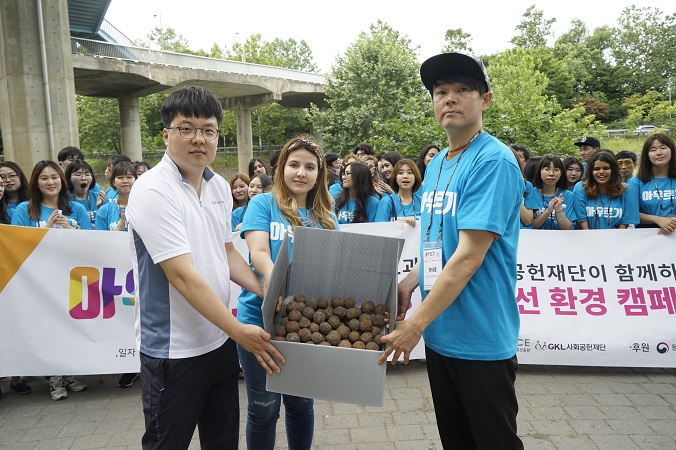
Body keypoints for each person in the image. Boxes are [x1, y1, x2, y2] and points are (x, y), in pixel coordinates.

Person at [378, 52, 524, 450]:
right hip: (442, 331)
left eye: (463, 90)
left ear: (485, 99)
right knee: (457, 440)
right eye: (441, 91)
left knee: (493, 441)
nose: (450, 98)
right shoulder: (440, 161)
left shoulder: (494, 161)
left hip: (480, 337)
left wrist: (414, 325)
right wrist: (410, 282)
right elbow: (436, 241)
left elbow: (469, 257)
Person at [125, 86, 283, 449]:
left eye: (208, 130)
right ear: (166, 134)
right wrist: (240, 330)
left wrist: (264, 289)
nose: (199, 138)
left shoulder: (219, 186)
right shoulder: (152, 191)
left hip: (218, 342)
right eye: (186, 128)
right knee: (168, 443)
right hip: (173, 351)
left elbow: (226, 251)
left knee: (223, 441)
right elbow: (181, 275)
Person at [238, 135, 338, 450]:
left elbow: (333, 269)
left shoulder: (327, 217)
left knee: (299, 403)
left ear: (319, 174)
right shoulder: (262, 203)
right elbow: (258, 251)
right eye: (294, 164)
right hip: (259, 321)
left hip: (304, 327)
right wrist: (274, 278)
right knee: (264, 408)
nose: (301, 172)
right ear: (282, 167)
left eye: (310, 167)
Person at [11, 160, 92, 231]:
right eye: (44, 178)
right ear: (36, 183)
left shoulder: (78, 208)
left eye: (54, 177)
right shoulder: (24, 209)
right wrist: (47, 228)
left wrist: (68, 228)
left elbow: (89, 241)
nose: (50, 182)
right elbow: (17, 242)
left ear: (61, 180)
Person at [573, 150, 639, 229]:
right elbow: (582, 223)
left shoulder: (628, 191)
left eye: (606, 168)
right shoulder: (580, 189)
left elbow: (625, 224)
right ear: (591, 171)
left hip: (618, 238)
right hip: (587, 238)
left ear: (614, 170)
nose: (601, 172)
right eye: (596, 169)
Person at [628, 133, 676, 234]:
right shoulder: (635, 182)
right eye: (653, 150)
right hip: (648, 238)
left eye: (663, 148)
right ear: (647, 156)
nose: (659, 153)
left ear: (672, 150)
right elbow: (630, 213)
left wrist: (671, 223)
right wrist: (658, 220)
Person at [530, 155, 575, 230]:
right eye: (547, 169)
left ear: (561, 173)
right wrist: (548, 211)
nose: (551, 173)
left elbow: (567, 228)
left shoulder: (568, 195)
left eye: (556, 170)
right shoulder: (531, 193)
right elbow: (531, 225)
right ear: (539, 172)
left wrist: (558, 209)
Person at [374, 158, 422, 227]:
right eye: (400, 173)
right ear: (395, 178)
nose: (405, 176)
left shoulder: (422, 202)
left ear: (415, 177)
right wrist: (396, 224)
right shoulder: (386, 202)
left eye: (410, 172)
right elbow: (378, 230)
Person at [65, 160, 100, 228]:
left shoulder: (99, 197)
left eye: (87, 174)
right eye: (78, 175)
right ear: (69, 178)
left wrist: (100, 208)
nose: (84, 178)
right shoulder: (63, 199)